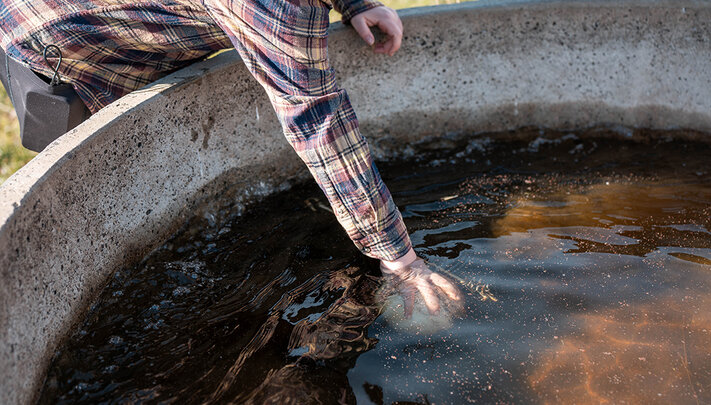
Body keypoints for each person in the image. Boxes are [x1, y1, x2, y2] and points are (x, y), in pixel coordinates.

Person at [0, 0, 461, 317]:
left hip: (132, 22)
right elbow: (320, 123)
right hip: (54, 42)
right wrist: (399, 261)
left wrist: (356, 4)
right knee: (92, 204)